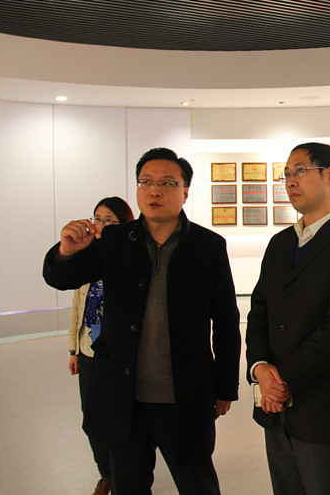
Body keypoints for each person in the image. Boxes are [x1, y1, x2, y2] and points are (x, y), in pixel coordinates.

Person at [44, 148, 241, 495]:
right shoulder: (115, 241)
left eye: (167, 183)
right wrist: (65, 251)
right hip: (124, 397)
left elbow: (226, 318)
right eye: (146, 182)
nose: (154, 191)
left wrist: (225, 386)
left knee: (198, 484)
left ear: (185, 192)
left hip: (183, 394)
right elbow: (61, 278)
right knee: (129, 486)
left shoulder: (207, 246)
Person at [246, 142, 330, 495]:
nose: (291, 180)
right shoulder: (279, 244)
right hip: (275, 408)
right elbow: (259, 312)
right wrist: (260, 368)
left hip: (325, 409)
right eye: (286, 174)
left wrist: (282, 381)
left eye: (300, 171)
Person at [67, 196, 134, 495]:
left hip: (118, 353)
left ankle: (124, 475)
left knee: (118, 418)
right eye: (97, 218)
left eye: (109, 220)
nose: (101, 225)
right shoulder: (88, 259)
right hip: (88, 350)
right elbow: (77, 307)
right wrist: (73, 350)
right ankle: (106, 474)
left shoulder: (130, 259)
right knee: (91, 416)